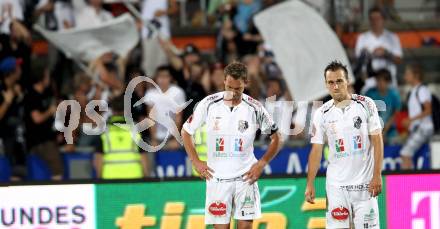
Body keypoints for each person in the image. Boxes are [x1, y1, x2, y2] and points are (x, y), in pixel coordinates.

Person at [181, 61, 281, 228]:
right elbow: (186, 131)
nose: (233, 93)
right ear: (224, 82)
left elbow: (277, 138)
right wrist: (196, 161)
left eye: (238, 89)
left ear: (246, 83)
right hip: (217, 179)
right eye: (229, 87)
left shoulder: (255, 108)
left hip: (245, 178)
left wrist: (262, 163)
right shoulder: (209, 104)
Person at [305, 61, 383, 228]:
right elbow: (316, 150)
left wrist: (377, 174)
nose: (335, 86)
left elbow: (377, 140)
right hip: (336, 187)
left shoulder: (366, 104)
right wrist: (310, 183)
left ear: (347, 81)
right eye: (331, 82)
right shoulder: (321, 114)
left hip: (365, 185)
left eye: (339, 81)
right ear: (326, 85)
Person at [94, 95, 149, 179]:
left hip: (110, 179)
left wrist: (99, 180)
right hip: (134, 178)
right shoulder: (136, 131)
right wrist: (146, 177)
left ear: (112, 111)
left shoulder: (104, 133)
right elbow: (143, 159)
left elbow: (98, 160)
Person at [23, 67, 62, 181]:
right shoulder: (31, 96)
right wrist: (50, 111)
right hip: (40, 142)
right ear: (41, 79)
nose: (49, 79)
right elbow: (37, 118)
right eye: (47, 77)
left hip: (49, 138)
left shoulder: (45, 94)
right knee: (57, 169)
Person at [354, 6, 402, 90]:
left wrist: (386, 53)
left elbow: (398, 60)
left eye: (378, 18)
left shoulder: (392, 37)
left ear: (383, 20)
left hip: (388, 84)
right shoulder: (362, 37)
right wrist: (371, 54)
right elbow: (358, 60)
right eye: (372, 19)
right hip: (369, 84)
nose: (375, 22)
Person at [400, 64, 434, 170]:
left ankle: (407, 183)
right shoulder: (414, 91)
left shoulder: (422, 90)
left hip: (424, 128)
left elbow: (428, 110)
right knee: (407, 154)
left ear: (416, 75)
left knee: (405, 153)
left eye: (408, 74)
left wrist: (410, 120)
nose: (405, 76)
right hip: (419, 128)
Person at [365, 69, 401, 144]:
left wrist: (387, 127)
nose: (379, 83)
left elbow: (397, 111)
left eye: (381, 81)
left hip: (391, 132)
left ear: (388, 82)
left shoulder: (394, 94)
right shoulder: (370, 93)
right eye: (377, 81)